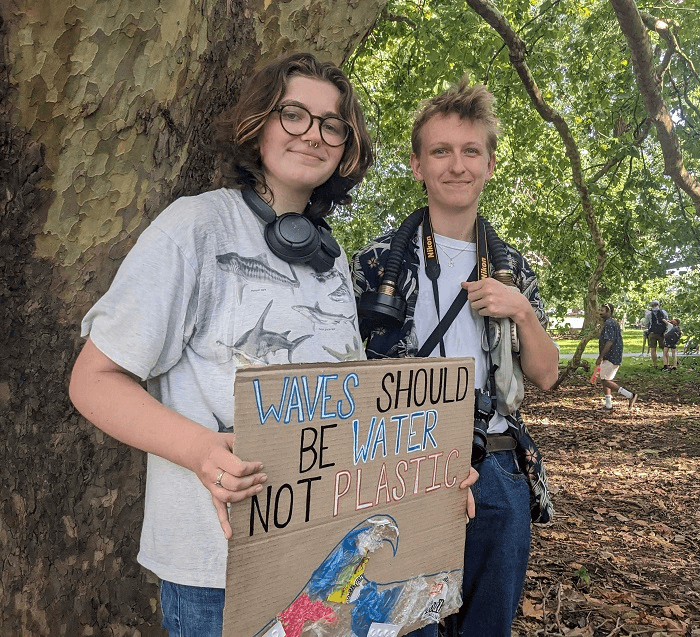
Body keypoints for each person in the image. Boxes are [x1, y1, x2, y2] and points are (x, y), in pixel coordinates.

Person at [68, 52, 376, 635]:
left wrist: (422, 480)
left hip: (322, 563)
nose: (313, 133)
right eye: (294, 114)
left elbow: (346, 406)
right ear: (257, 124)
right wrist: (203, 453)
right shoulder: (194, 227)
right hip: (218, 572)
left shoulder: (331, 262)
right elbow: (93, 380)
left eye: (332, 123)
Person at [351, 78, 560, 637]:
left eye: (471, 151)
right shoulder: (375, 263)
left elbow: (546, 375)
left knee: (487, 626)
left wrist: (522, 312)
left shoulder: (512, 266)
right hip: (405, 469)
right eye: (440, 151)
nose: (456, 165)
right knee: (401, 628)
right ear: (418, 166)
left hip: (495, 467)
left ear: (490, 165)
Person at [595, 302, 638, 410]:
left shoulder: (609, 324)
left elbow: (609, 342)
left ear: (609, 312)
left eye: (602, 311)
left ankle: (630, 395)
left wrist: (601, 356)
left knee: (605, 381)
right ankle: (608, 404)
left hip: (611, 355)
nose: (600, 313)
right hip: (615, 355)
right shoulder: (613, 323)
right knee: (605, 378)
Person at [643, 299, 668, 368]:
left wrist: (647, 331)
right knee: (664, 349)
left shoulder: (649, 313)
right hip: (662, 333)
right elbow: (667, 321)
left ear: (651, 306)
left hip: (652, 333)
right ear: (658, 305)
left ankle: (655, 364)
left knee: (653, 349)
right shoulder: (664, 312)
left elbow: (647, 324)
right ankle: (666, 364)